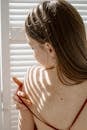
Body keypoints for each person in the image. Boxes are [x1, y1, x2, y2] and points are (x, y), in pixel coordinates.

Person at [13, 0, 87, 130]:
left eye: (32, 47)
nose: (33, 55)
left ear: (50, 49)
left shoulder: (32, 78)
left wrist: (24, 110)